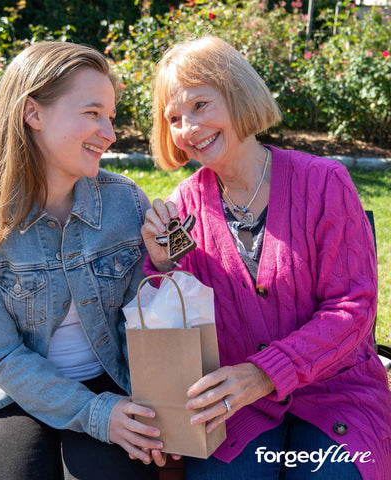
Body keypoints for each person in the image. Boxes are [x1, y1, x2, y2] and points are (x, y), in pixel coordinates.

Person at [141, 35, 391, 480]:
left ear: (237, 95)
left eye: (200, 105)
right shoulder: (186, 205)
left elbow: (353, 309)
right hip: (238, 410)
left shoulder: (324, 182)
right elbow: (178, 318)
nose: (189, 127)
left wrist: (264, 373)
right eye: (174, 118)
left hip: (337, 397)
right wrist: (162, 265)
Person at [0, 41, 163, 480]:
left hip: (110, 384)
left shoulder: (125, 204)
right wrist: (96, 414)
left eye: (111, 117)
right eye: (92, 113)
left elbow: (147, 322)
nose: (110, 133)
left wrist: (162, 264)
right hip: (11, 394)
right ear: (33, 113)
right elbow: (0, 357)